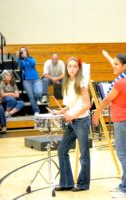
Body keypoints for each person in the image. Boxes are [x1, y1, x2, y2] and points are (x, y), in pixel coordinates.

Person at [92, 50, 126, 198]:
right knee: (122, 153)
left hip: (122, 120)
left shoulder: (121, 82)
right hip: (125, 118)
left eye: (116, 64)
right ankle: (124, 184)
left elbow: (106, 100)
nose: (113, 66)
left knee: (123, 155)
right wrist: (107, 56)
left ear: (124, 66)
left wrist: (97, 113)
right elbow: (115, 63)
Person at [52, 57, 91, 192]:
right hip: (71, 121)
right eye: (69, 67)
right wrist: (60, 112)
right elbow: (71, 104)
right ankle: (66, 183)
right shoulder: (67, 82)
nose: (72, 69)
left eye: (74, 67)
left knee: (84, 154)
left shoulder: (81, 82)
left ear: (78, 68)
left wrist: (73, 116)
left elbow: (87, 105)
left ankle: (83, 184)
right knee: (62, 151)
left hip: (81, 121)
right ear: (66, 68)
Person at [16, 47, 42, 115]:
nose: (23, 52)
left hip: (36, 79)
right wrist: (18, 57)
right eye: (21, 51)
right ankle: (36, 110)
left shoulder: (31, 58)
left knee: (39, 92)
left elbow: (33, 64)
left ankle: (36, 100)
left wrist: (26, 57)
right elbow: (21, 66)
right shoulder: (20, 60)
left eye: (24, 50)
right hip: (26, 80)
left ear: (26, 51)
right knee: (31, 97)